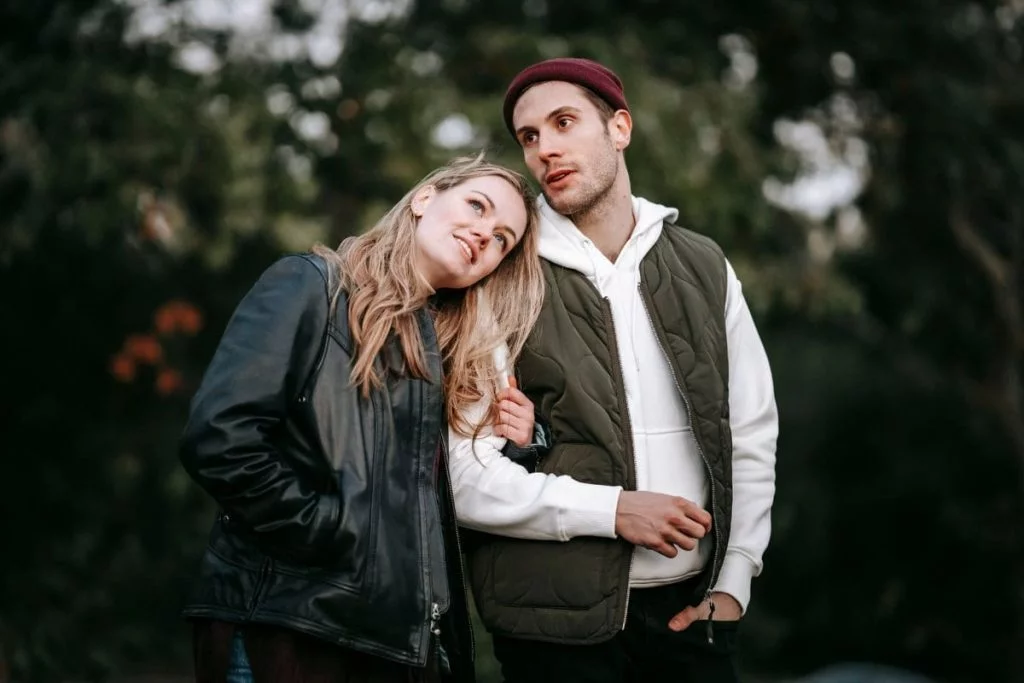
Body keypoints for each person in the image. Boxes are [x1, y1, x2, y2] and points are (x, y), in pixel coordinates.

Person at [448, 58, 779, 682]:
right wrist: (615, 510)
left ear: (619, 128)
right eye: (529, 137)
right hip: (553, 626)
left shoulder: (703, 265)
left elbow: (750, 432)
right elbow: (467, 475)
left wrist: (736, 576)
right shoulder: (500, 275)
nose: (546, 148)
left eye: (564, 122)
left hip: (692, 620)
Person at [178, 154, 544, 683]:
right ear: (424, 200)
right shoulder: (311, 287)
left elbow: (425, 508)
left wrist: (515, 444)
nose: (485, 233)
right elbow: (220, 438)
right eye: (476, 206)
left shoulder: (436, 352)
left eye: (503, 238)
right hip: (285, 627)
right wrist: (332, 532)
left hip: (386, 649)